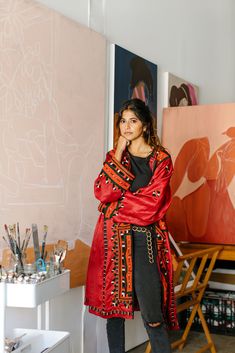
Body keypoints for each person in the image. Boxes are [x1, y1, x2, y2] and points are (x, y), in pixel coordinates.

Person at [85, 98, 178, 353]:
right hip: (112, 241)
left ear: (145, 125)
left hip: (143, 241)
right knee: (113, 314)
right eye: (123, 121)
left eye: (133, 121)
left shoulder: (161, 159)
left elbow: (151, 206)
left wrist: (113, 207)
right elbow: (102, 192)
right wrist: (117, 151)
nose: (126, 126)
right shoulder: (116, 157)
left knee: (153, 314)